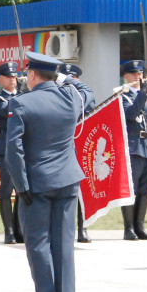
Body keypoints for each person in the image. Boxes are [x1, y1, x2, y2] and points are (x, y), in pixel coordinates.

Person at [5, 51, 89, 292]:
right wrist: (60, 76)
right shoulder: (72, 98)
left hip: (37, 183)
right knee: (64, 242)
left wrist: (20, 184)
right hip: (67, 180)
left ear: (31, 75)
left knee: (39, 242)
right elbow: (86, 90)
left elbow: (13, 150)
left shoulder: (21, 103)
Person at [120, 59, 147, 241]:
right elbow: (131, 115)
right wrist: (142, 93)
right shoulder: (122, 97)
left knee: (145, 190)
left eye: (141, 74)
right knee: (132, 189)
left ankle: (140, 226)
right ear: (126, 76)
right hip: (134, 149)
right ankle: (128, 228)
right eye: (135, 74)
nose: (139, 77)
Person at [58, 63, 96, 243]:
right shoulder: (59, 96)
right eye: (68, 79)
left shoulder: (83, 98)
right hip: (62, 147)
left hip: (82, 145)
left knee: (82, 189)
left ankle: (83, 228)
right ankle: (66, 229)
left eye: (74, 79)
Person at [0, 61, 24, 244]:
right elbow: (7, 111)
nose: (13, 80)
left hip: (23, 148)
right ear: (0, 79)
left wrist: (27, 94)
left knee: (21, 189)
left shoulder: (24, 95)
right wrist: (24, 98)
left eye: (14, 76)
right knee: (6, 189)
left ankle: (19, 229)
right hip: (7, 148)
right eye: (9, 77)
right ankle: (8, 230)